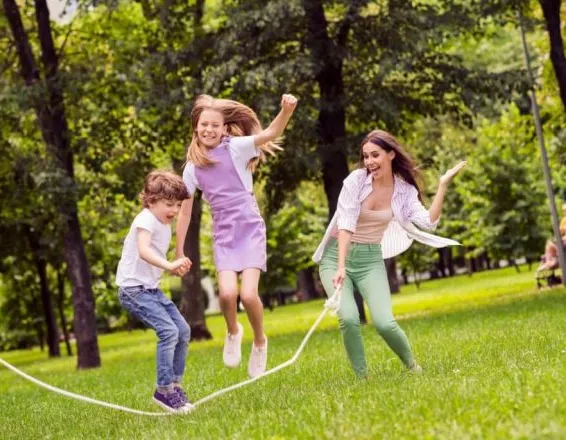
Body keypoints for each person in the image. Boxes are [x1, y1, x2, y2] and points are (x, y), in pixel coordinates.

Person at [312, 129, 465, 378]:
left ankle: (412, 366)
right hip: (335, 258)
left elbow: (428, 221)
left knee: (384, 322)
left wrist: (442, 185)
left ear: (391, 154)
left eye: (375, 155)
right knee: (349, 319)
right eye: (366, 157)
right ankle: (363, 377)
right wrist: (340, 266)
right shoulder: (355, 182)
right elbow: (345, 224)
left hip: (370, 260)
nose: (370, 162)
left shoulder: (403, 191)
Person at [176, 93, 298, 378]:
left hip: (250, 228)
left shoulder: (236, 148)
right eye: (204, 125)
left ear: (224, 128)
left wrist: (286, 111)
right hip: (224, 234)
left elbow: (271, 133)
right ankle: (233, 331)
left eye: (215, 125)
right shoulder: (192, 168)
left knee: (248, 294)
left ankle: (259, 341)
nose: (209, 130)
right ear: (196, 128)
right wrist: (180, 250)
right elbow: (184, 213)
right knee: (228, 295)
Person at [116, 170, 194, 413]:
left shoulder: (164, 224)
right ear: (151, 201)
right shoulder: (146, 219)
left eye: (178, 205)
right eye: (169, 204)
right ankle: (163, 391)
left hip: (150, 288)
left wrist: (172, 268)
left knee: (183, 330)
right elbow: (143, 250)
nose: (174, 210)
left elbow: (154, 261)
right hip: (133, 290)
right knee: (169, 332)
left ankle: (174, 387)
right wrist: (170, 264)